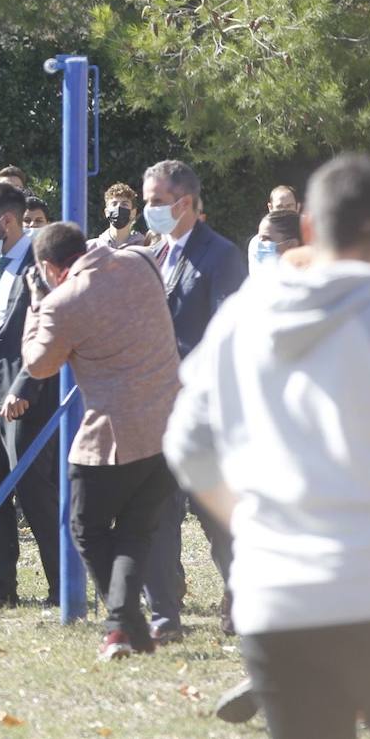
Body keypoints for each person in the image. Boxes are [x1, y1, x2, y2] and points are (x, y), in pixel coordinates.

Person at [163, 154, 370, 739]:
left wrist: (253, 521)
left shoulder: (241, 318)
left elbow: (187, 441)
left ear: (310, 228)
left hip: (276, 594)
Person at [22, 223, 181, 660]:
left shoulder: (61, 302)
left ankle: (121, 627)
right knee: (135, 532)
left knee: (86, 529)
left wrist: (37, 305)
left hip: (113, 437)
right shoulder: (142, 261)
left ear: (50, 268)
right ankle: (128, 631)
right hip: (168, 428)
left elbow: (38, 366)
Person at [139, 159, 247, 642]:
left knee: (216, 516)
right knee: (154, 514)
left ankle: (245, 595)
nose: (148, 210)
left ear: (184, 203)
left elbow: (226, 333)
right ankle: (164, 615)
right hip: (151, 410)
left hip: (203, 412)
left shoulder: (220, 255)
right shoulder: (150, 255)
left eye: (157, 202)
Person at [0, 182, 61, 607]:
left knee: (34, 490)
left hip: (27, 389)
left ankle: (63, 586)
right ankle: (1, 587)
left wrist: (26, 386)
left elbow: (51, 332)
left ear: (6, 221)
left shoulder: (40, 267)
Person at [92, 182, 145, 250]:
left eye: (124, 204)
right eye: (114, 204)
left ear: (133, 212)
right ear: (106, 212)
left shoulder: (145, 246)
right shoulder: (92, 247)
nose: (119, 207)